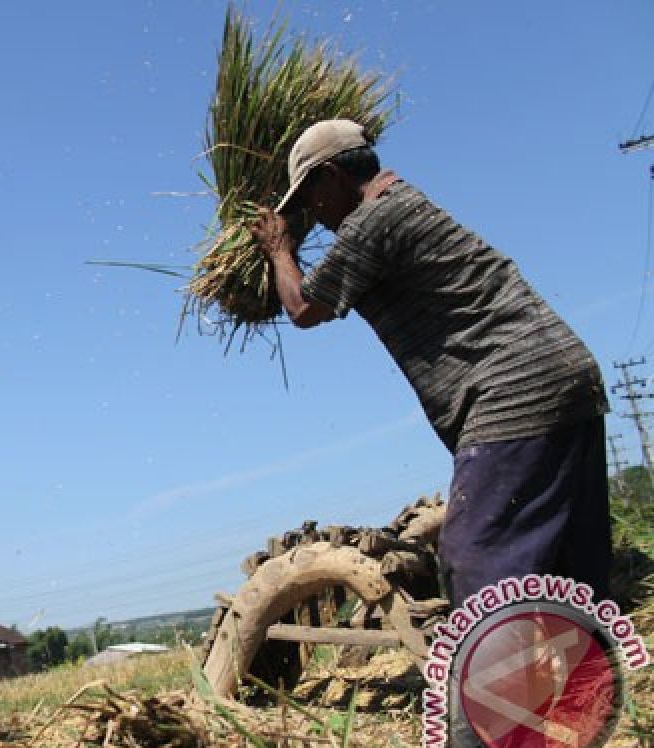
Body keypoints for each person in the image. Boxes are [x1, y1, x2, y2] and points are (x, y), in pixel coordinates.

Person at [249, 120, 611, 610]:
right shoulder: (401, 203)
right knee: (567, 554)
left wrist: (278, 250)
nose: (312, 213)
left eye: (310, 196)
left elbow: (303, 308)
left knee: (475, 559)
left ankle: (497, 684)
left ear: (331, 176)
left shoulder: (374, 221)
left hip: (515, 391)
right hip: (561, 372)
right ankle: (583, 676)